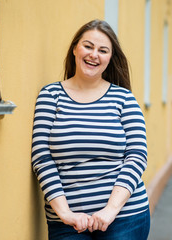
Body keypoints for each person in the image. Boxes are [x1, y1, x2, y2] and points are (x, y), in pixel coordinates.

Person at [31, 19, 150, 240]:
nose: (94, 54)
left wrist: (110, 210)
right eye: (88, 46)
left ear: (110, 58)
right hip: (66, 223)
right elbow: (41, 157)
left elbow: (137, 156)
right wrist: (66, 213)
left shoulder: (124, 99)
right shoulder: (50, 96)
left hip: (125, 217)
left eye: (103, 50)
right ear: (75, 48)